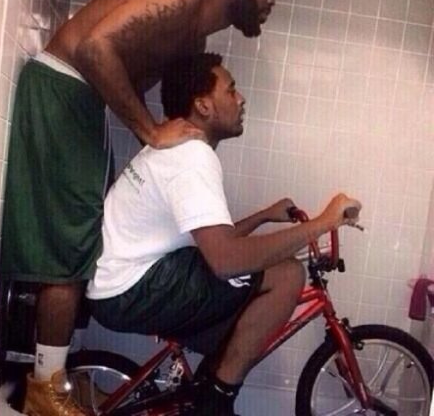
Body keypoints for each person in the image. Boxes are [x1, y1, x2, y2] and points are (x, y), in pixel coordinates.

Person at [0, 0, 277, 414]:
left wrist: (166, 145)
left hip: (82, 103)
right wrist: (150, 132)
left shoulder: (194, 38)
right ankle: (44, 390)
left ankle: (54, 378)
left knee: (80, 246)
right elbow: (94, 49)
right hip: (64, 88)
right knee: (69, 253)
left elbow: (136, 85)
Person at [86, 53, 362, 415]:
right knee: (286, 274)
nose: (241, 99)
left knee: (251, 277)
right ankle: (217, 399)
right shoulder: (192, 158)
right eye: (231, 90)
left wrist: (263, 217)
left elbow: (216, 241)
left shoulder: (176, 148)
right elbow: (226, 260)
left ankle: (209, 382)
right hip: (130, 290)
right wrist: (325, 222)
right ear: (203, 105)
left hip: (121, 282)